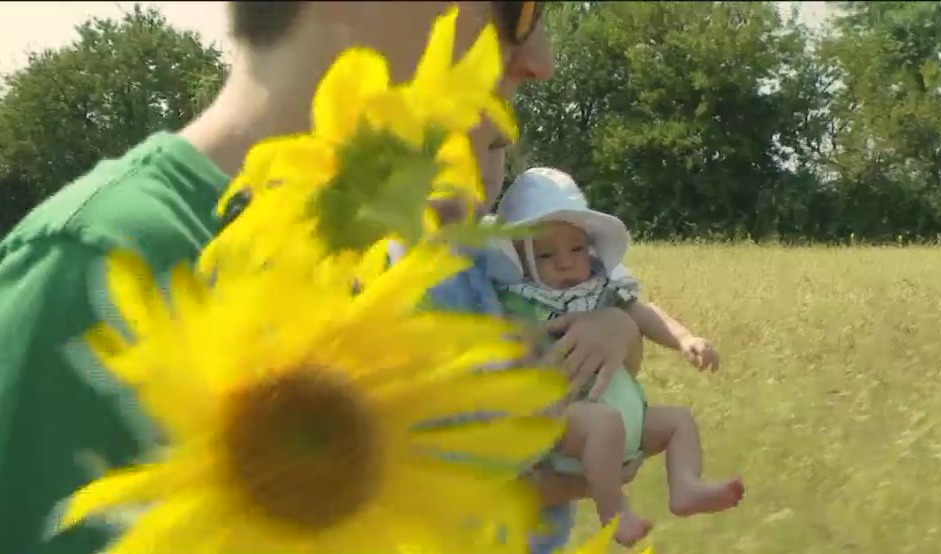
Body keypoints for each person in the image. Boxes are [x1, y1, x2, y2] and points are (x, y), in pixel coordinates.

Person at [0, 3, 642, 553]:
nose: (541, 57)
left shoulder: (405, 263)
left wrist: (612, 323)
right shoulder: (89, 269)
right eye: (515, 8)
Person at [490, 168, 746, 547]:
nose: (565, 262)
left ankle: (686, 486)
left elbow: (643, 313)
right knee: (604, 423)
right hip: (569, 422)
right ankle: (614, 512)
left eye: (576, 249)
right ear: (522, 260)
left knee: (678, 420)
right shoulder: (523, 301)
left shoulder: (603, 289)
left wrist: (684, 338)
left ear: (591, 248)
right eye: (546, 254)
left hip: (629, 422)